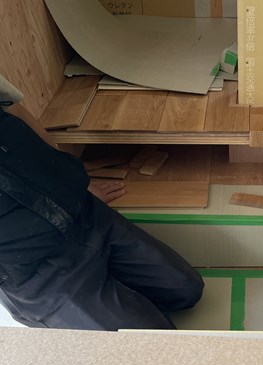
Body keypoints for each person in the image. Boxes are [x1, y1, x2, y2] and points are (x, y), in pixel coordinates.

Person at [0, 74, 204, 333]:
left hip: (85, 216)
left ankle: (112, 294)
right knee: (154, 343)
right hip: (37, 271)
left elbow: (15, 110)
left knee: (186, 289)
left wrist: (70, 180)